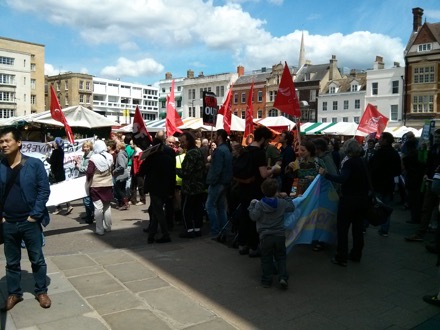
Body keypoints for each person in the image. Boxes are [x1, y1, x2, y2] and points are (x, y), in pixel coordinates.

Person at [0, 127, 51, 310]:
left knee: (37, 259)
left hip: (29, 221)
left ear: (19, 142)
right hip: (8, 223)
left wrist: (34, 215)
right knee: (11, 262)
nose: (4, 145)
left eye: (7, 141)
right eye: (1, 142)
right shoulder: (0, 165)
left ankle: (41, 291)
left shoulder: (34, 164)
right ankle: (14, 293)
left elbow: (44, 190)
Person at [319, 139, 370, 266]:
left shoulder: (349, 163)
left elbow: (342, 179)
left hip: (349, 200)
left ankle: (341, 256)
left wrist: (326, 174)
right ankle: (356, 254)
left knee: (343, 229)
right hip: (362, 199)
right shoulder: (362, 161)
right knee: (358, 229)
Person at [235, 126, 277, 257]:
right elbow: (263, 174)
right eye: (268, 140)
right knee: (255, 218)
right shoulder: (259, 153)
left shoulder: (245, 150)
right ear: (263, 139)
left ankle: (242, 245)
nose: (268, 143)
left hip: (243, 188)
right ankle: (253, 247)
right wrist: (274, 169)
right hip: (255, 190)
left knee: (244, 216)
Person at [248, 178, 295, 288]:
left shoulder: (259, 205)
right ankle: (283, 277)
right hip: (279, 235)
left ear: (263, 190)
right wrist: (286, 196)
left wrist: (251, 206)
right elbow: (292, 207)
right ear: (277, 191)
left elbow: (253, 217)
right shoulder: (282, 203)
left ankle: (266, 280)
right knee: (281, 257)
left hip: (265, 236)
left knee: (266, 258)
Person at [406, 128, 440, 242]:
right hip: (431, 181)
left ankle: (434, 238)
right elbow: (427, 163)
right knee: (426, 208)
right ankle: (420, 233)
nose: (437, 139)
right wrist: (426, 174)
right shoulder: (433, 149)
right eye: (435, 137)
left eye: (438, 137)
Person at [139, 138, 175, 243]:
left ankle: (165, 234)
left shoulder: (151, 158)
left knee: (158, 211)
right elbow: (172, 175)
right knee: (156, 211)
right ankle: (152, 235)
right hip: (166, 188)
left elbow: (142, 171)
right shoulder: (168, 158)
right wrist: (171, 191)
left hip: (155, 188)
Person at [369, 132, 401, 237]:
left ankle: (364, 226)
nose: (379, 140)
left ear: (385, 140)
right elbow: (398, 171)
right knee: (386, 208)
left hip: (378, 184)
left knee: (372, 206)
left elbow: (373, 168)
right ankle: (384, 229)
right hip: (389, 185)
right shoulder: (395, 153)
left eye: (381, 138)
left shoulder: (379, 153)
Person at [177, 132, 206, 238]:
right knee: (197, 208)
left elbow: (186, 172)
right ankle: (197, 229)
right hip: (199, 186)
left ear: (189, 141)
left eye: (183, 142)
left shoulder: (191, 153)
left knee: (186, 209)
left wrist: (176, 170)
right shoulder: (198, 151)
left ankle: (189, 230)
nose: (181, 144)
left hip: (190, 187)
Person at [205, 129, 233, 238]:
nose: (214, 137)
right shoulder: (226, 149)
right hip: (225, 182)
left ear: (220, 136)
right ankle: (224, 229)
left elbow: (217, 169)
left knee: (210, 205)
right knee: (221, 207)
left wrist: (212, 180)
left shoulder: (220, 150)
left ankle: (215, 230)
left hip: (218, 182)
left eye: (216, 135)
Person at [86, 140, 114, 236]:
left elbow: (89, 172)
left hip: (96, 185)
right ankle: (108, 226)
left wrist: (87, 181)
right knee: (107, 206)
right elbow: (112, 169)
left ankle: (99, 229)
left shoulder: (93, 158)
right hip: (108, 184)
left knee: (98, 207)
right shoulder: (110, 156)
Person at [49, 137, 73, 215]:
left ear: (56, 143)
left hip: (56, 174)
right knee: (62, 189)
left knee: (56, 190)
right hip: (61, 173)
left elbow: (52, 161)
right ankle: (68, 205)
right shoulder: (61, 151)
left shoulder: (55, 152)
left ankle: (58, 207)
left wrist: (46, 158)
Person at [75, 140, 94, 223]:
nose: (85, 148)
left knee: (87, 198)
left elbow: (88, 169)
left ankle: (92, 215)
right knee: (85, 197)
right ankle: (88, 215)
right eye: (84, 147)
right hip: (83, 179)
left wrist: (79, 166)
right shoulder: (85, 155)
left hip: (88, 179)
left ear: (90, 147)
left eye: (87, 147)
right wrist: (78, 163)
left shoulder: (91, 156)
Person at [113, 141, 130, 210]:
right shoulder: (124, 153)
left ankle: (125, 203)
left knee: (118, 189)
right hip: (124, 174)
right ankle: (123, 203)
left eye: (116, 146)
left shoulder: (120, 154)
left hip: (120, 175)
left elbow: (121, 166)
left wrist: (114, 171)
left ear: (119, 147)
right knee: (122, 189)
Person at [278, 130, 296, 195]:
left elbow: (289, 167)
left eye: (281, 136)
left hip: (285, 179)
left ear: (286, 140)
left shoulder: (289, 151)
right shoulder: (283, 149)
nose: (279, 137)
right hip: (282, 177)